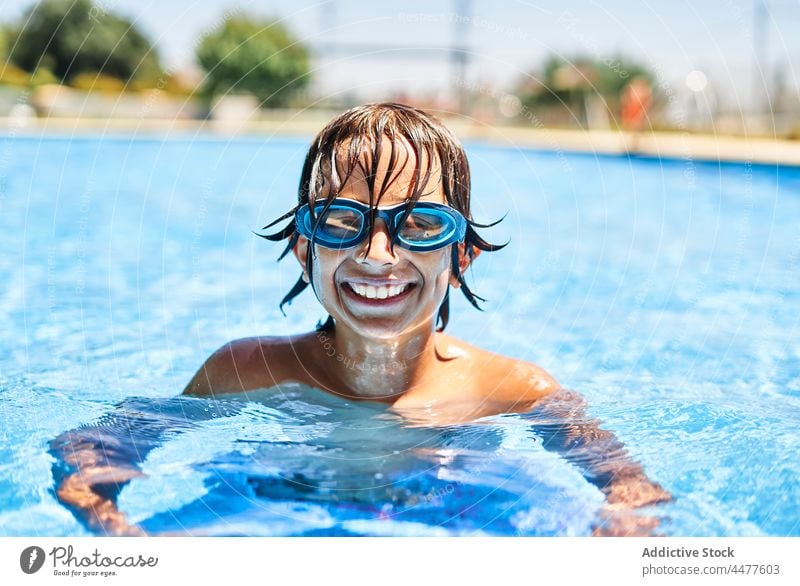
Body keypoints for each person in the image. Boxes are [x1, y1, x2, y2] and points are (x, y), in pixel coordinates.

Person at [52, 102, 670, 536]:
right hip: (274, 509)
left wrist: (617, 528)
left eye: (422, 225)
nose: (378, 256)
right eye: (340, 222)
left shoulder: (512, 391)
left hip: (459, 516)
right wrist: (108, 518)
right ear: (304, 249)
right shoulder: (245, 369)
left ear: (461, 256)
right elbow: (100, 446)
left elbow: (632, 488)